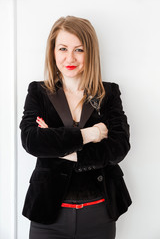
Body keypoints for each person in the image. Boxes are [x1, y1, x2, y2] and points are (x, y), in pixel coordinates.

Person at [19, 15, 132, 239]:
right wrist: (91, 134)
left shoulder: (108, 93)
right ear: (53, 52)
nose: (70, 57)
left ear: (90, 52)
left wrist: (57, 144)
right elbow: (32, 141)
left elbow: (118, 148)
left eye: (79, 50)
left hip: (99, 212)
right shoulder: (38, 92)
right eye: (62, 48)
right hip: (48, 214)